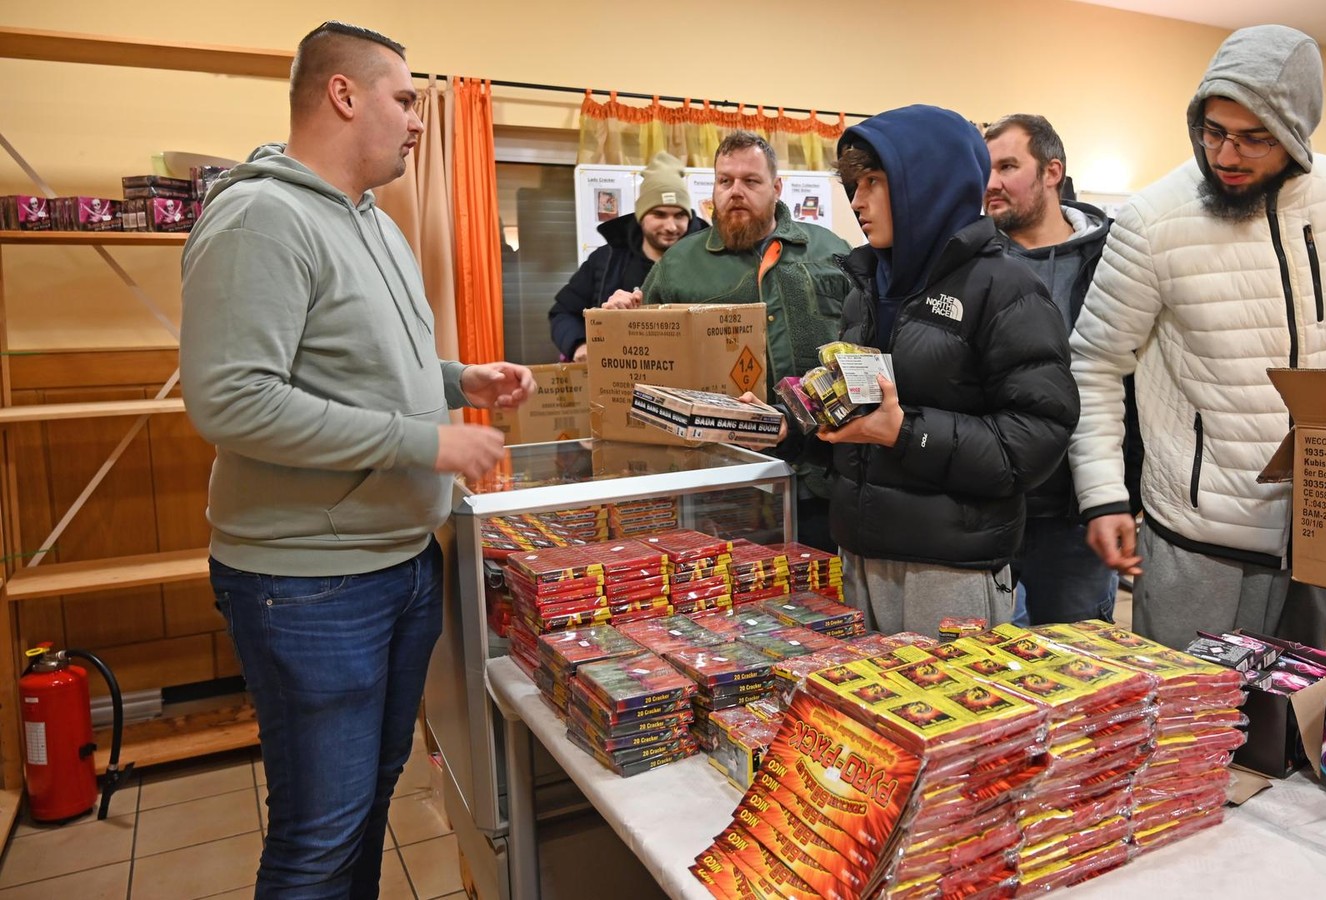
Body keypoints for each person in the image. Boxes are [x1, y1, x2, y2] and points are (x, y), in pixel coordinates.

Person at [179, 21, 534, 897]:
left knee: (367, 808)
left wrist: (459, 379)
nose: (418, 121)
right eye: (406, 100)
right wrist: (426, 439)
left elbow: (359, 364)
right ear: (343, 95)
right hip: (309, 585)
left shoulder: (371, 219)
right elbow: (231, 400)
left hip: (395, 564)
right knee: (320, 838)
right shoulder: (262, 216)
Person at [1068, 25, 1326, 649]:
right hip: (1199, 533)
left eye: (1253, 138)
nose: (1226, 156)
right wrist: (1103, 496)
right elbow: (1095, 363)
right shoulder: (1153, 221)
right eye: (1213, 130)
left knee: (1291, 721)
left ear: (1298, 134)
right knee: (1193, 724)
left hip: (1320, 520)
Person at [823, 104, 1077, 638]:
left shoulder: (1006, 289)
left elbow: (1034, 440)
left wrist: (906, 432)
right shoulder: (866, 285)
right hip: (859, 560)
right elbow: (860, 415)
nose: (857, 201)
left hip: (949, 572)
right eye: (853, 183)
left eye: (874, 181)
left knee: (951, 721)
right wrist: (791, 422)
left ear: (927, 184)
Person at [640, 131, 850, 551]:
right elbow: (649, 368)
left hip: (824, 475)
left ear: (776, 188)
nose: (736, 192)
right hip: (723, 486)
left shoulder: (830, 251)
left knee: (826, 601)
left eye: (750, 181)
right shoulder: (678, 266)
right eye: (725, 181)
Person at [984, 113, 1130, 625]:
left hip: (1077, 509)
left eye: (1007, 166)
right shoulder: (973, 260)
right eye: (986, 169)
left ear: (1052, 171)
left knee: (1081, 662)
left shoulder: (1115, 258)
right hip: (991, 502)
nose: (991, 183)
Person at [547, 151, 707, 361]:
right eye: (659, 214)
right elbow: (562, 313)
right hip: (620, 382)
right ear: (641, 217)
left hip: (691, 381)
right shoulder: (606, 261)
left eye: (679, 215)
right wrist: (579, 345)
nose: (670, 226)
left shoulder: (708, 259)